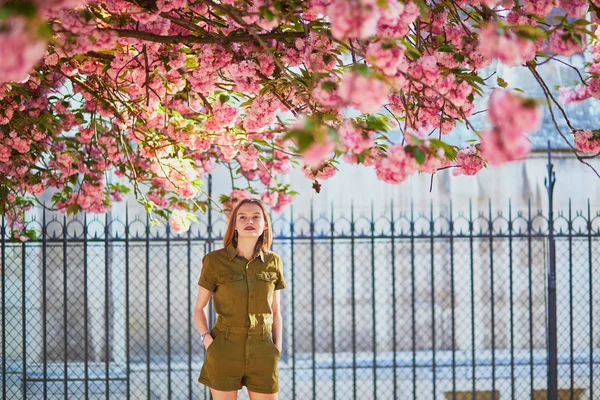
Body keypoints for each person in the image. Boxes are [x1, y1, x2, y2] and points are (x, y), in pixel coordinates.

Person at [194, 198, 287, 399]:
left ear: (265, 224)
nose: (249, 221)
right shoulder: (214, 261)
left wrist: (276, 348)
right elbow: (199, 308)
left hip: (263, 349)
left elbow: (276, 310)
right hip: (224, 348)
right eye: (242, 217)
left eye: (256, 217)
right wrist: (208, 341)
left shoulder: (273, 261)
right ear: (235, 225)